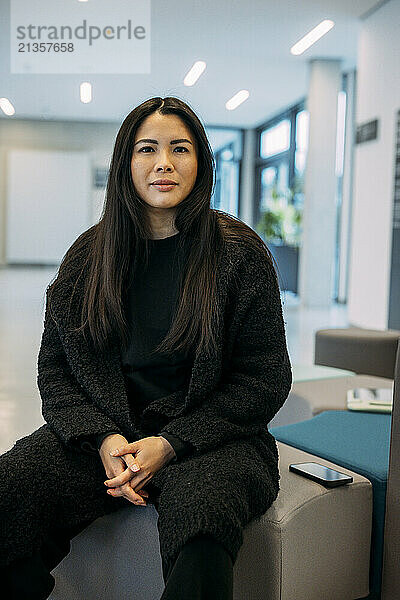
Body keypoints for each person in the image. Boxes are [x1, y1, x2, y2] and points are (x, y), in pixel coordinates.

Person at [0, 96, 292, 599]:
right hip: (110, 441)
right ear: (125, 163)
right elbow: (56, 372)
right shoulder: (89, 257)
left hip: (211, 441)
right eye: (147, 149)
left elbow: (264, 379)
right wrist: (104, 439)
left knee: (202, 517)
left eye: (180, 149)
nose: (164, 163)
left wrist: (172, 442)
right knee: (12, 487)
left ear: (200, 161)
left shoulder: (239, 255)